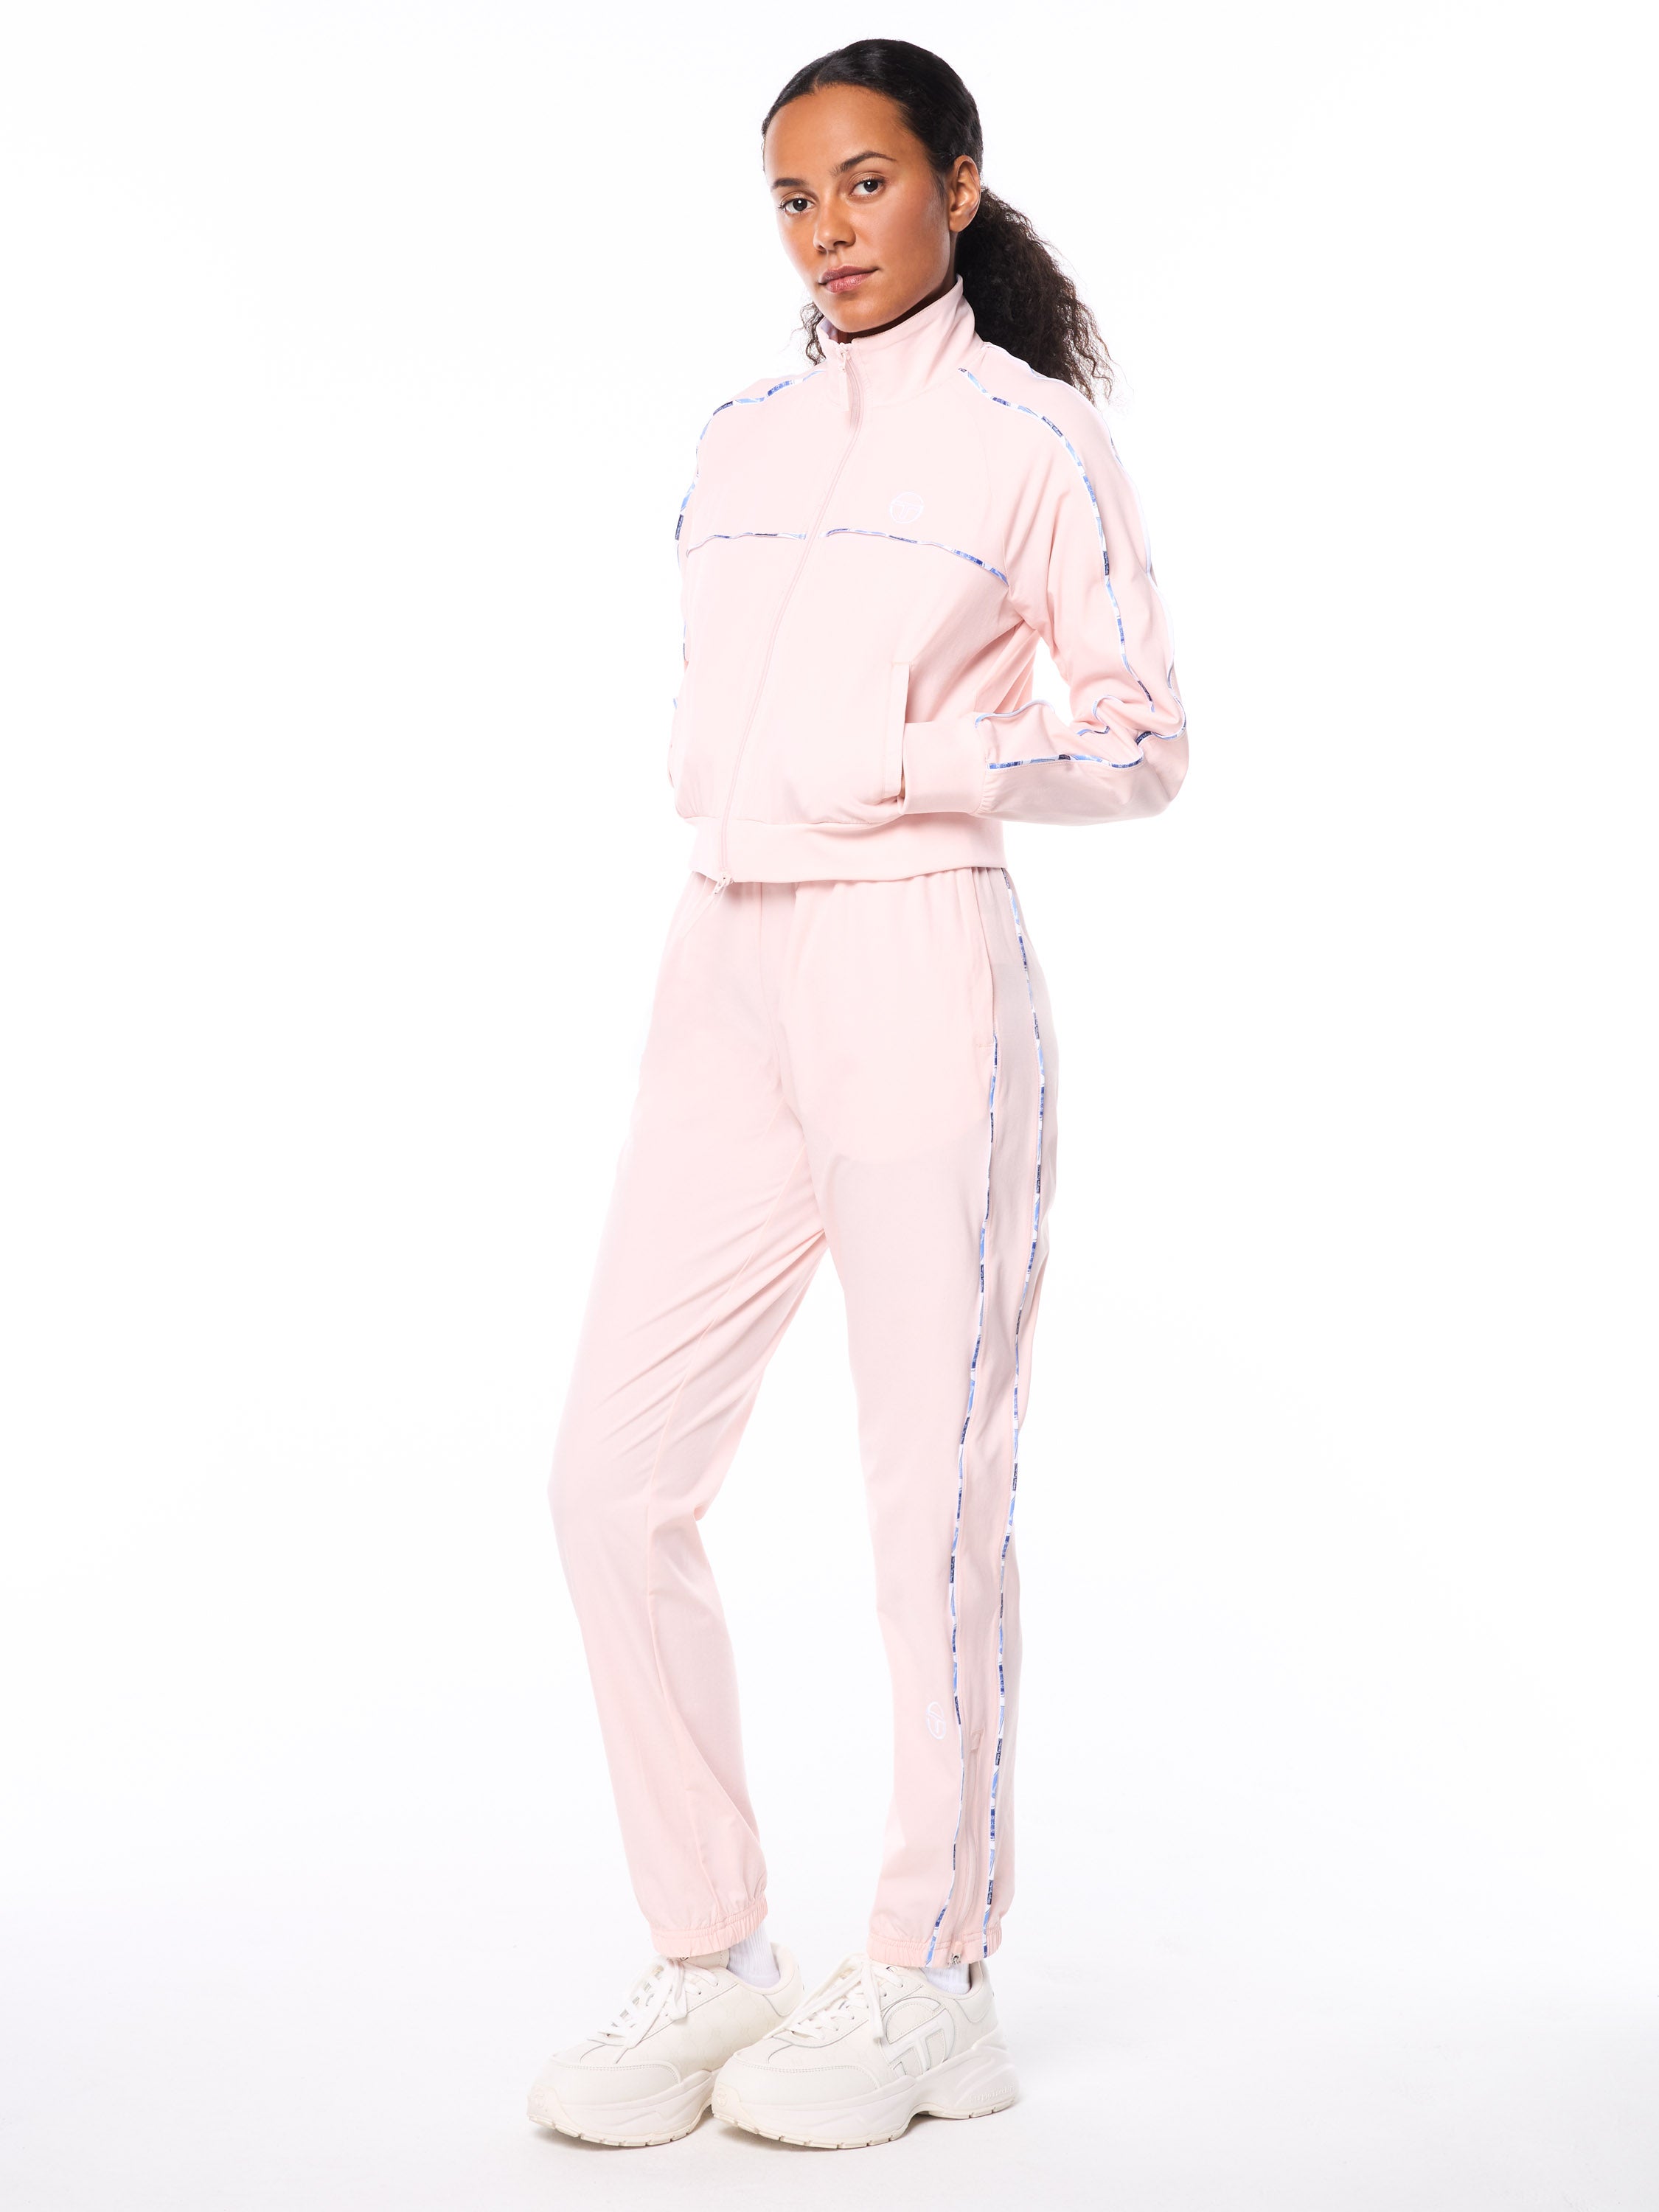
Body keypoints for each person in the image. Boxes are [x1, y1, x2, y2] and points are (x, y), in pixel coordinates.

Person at [527, 37, 1187, 2151]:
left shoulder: (1037, 438)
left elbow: (1140, 738)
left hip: (917, 957)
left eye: (867, 183)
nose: (827, 229)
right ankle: (713, 1951)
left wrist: (905, 763)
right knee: (608, 1479)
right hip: (721, 961)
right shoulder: (738, 436)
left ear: (957, 188)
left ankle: (928, 1978)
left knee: (928, 1499)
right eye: (794, 197)